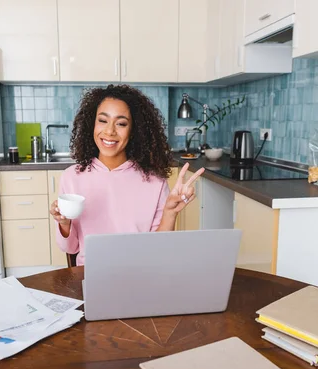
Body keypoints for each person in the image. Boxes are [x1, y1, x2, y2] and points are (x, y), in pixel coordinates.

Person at [49, 84, 204, 266]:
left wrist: (170, 212)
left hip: (141, 275)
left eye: (121, 123)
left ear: (134, 130)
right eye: (102, 120)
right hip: (91, 275)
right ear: (92, 123)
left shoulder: (155, 181)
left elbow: (158, 249)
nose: (109, 131)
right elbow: (71, 248)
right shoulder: (72, 177)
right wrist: (64, 223)